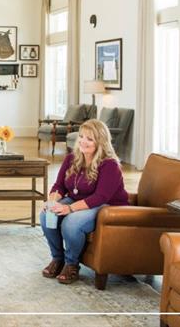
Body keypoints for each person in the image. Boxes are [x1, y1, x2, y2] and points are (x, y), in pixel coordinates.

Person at [41, 119, 129, 284]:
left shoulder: (110, 165)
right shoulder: (71, 158)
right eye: (81, 136)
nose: (82, 141)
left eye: (89, 139)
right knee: (46, 216)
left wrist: (70, 208)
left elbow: (100, 197)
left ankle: (72, 264)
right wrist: (52, 201)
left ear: (100, 142)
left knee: (71, 223)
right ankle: (58, 259)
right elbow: (59, 185)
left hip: (106, 205)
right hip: (78, 199)